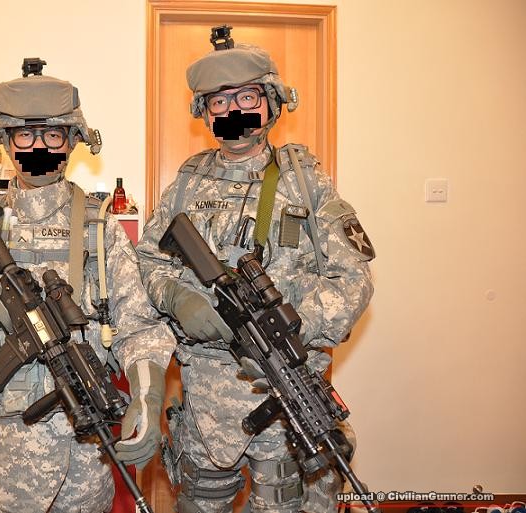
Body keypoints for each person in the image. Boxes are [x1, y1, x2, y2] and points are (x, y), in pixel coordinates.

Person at [0, 58, 175, 513]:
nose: (38, 147)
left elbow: (139, 328)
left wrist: (148, 396)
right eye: (25, 136)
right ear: (6, 142)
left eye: (52, 135)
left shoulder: (99, 227)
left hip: (71, 444)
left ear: (72, 142)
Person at [136, 27, 375, 513]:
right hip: (204, 399)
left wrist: (290, 328)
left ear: (271, 102)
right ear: (205, 112)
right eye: (219, 102)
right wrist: (179, 299)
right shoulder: (187, 182)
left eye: (246, 97)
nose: (233, 111)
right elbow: (146, 261)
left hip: (283, 393)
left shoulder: (306, 183)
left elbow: (353, 280)